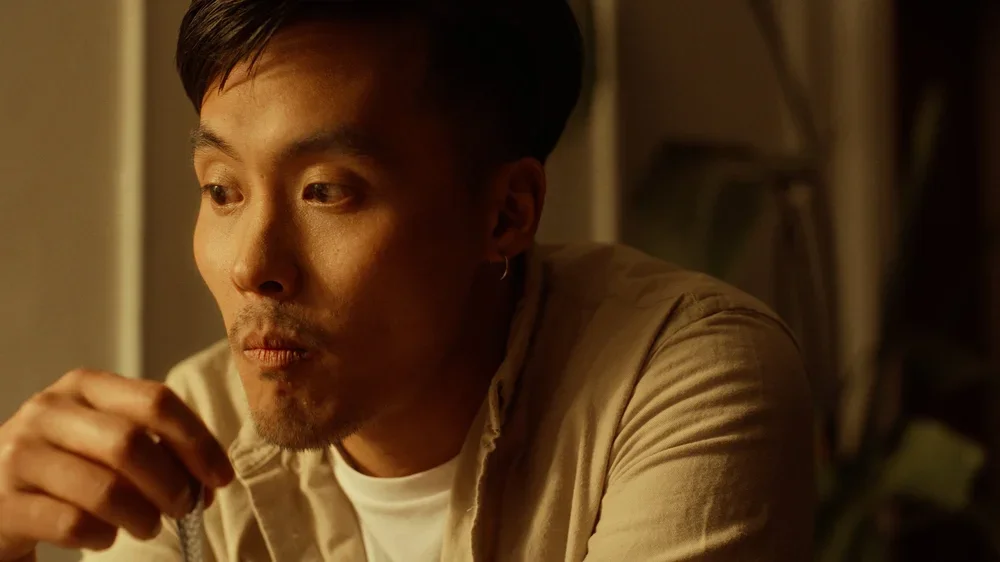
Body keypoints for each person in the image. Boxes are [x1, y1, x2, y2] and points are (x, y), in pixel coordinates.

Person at [0, 1, 815, 560]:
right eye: (222, 190)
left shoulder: (678, 381)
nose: (252, 266)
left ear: (506, 212)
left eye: (326, 191)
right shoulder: (192, 442)